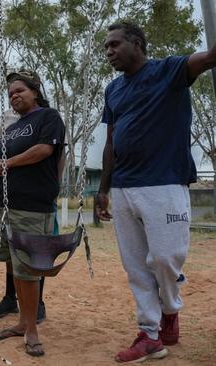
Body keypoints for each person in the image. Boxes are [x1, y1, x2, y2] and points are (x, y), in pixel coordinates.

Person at [96, 21, 216, 363]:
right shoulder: (113, 90)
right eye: (106, 47)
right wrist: (103, 188)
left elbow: (208, 58)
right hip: (123, 187)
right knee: (135, 266)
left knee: (164, 258)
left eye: (115, 45)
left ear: (137, 43)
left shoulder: (169, 70)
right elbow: (111, 142)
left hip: (164, 183)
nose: (109, 52)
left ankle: (170, 309)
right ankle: (149, 334)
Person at [0, 70, 65, 358]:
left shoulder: (48, 117)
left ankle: (32, 330)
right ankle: (21, 322)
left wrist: (7, 163)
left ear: (34, 91)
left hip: (31, 206)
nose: (14, 96)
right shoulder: (11, 127)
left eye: (20, 90)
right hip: (2, 205)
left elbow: (45, 150)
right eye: (10, 94)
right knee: (14, 267)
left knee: (29, 271)